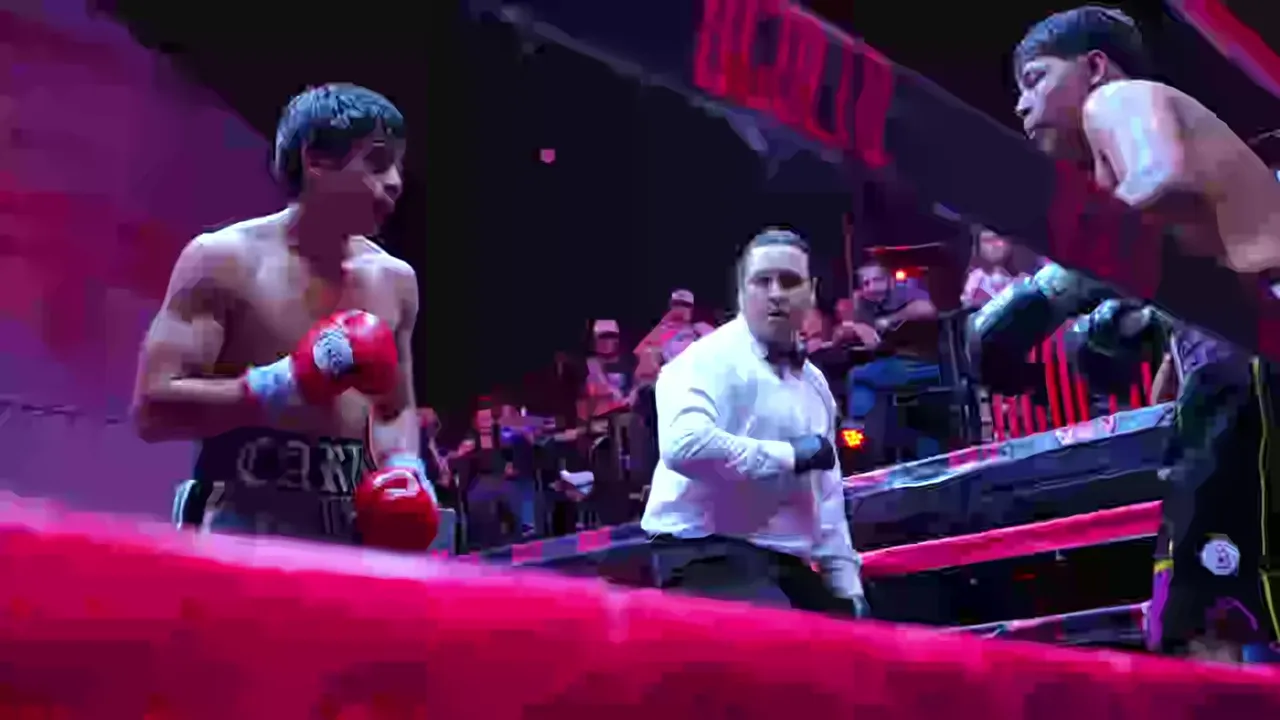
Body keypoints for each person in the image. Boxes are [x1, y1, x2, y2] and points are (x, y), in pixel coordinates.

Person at [1002, 6, 1280, 661]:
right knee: (1228, 592)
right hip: (1242, 345)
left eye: (1036, 79)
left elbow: (1164, 178)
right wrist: (1170, 370)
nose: (1020, 104)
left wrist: (1052, 286)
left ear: (1095, 67)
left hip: (1256, 347)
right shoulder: (1129, 143)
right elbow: (1206, 251)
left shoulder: (1117, 101)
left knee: (1202, 611)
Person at [135, 83, 438, 550]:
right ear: (316, 160)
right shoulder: (222, 260)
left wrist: (404, 468)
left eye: (397, 165)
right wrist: (279, 386)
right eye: (377, 163)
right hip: (237, 515)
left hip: (347, 522)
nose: (396, 181)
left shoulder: (395, 280)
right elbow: (153, 409)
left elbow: (393, 409)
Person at [641, 227, 867, 618]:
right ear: (742, 293)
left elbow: (827, 497)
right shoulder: (703, 361)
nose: (776, 293)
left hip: (782, 559)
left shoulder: (815, 388)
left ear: (811, 293)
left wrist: (847, 586)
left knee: (856, 638)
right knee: (782, 640)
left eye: (789, 281)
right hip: (702, 551)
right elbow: (685, 446)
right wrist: (788, 455)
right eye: (763, 281)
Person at [844, 260, 941, 438]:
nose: (872, 287)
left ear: (889, 281)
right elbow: (844, 330)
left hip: (923, 364)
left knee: (857, 375)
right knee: (863, 387)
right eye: (866, 283)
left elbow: (928, 308)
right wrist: (856, 327)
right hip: (891, 363)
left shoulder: (903, 290)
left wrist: (891, 319)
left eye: (877, 280)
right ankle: (864, 441)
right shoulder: (864, 303)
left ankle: (858, 430)